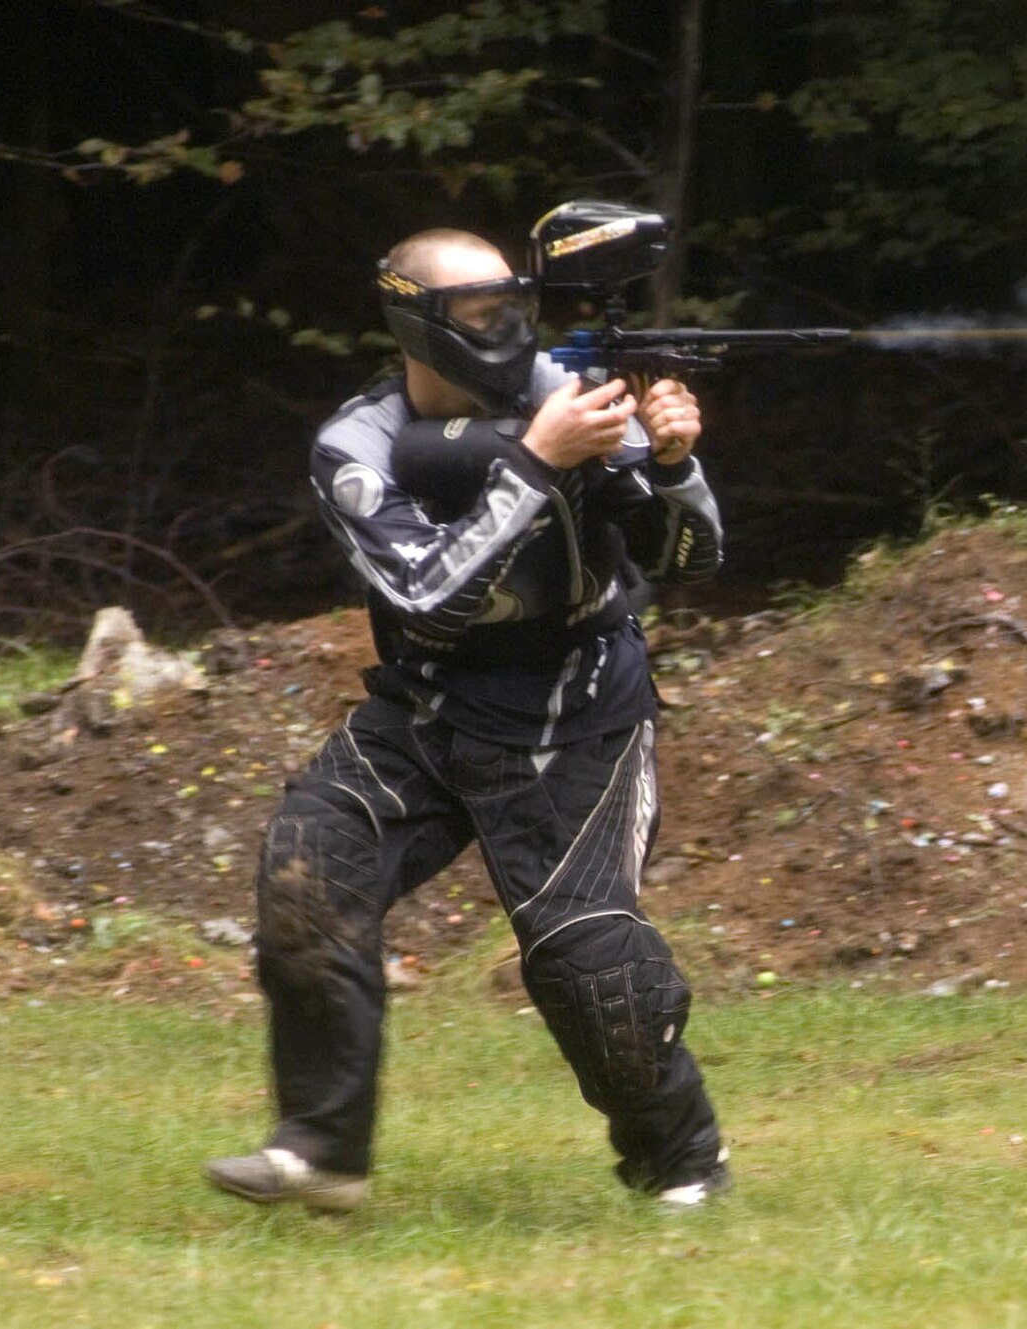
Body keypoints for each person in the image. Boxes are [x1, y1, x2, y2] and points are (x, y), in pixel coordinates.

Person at [204, 225, 729, 1211]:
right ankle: (323, 1154)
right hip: (426, 709)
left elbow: (689, 561)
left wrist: (669, 461)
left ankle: (683, 1164)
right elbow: (428, 598)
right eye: (479, 313)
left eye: (512, 305)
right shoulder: (355, 447)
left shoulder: (569, 405)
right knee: (309, 873)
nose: (507, 329)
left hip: (576, 719)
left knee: (591, 968)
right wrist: (533, 466)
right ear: (415, 322)